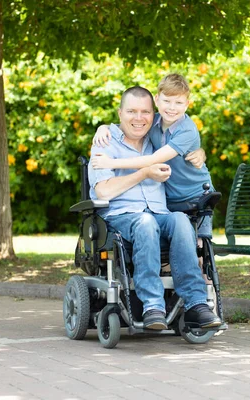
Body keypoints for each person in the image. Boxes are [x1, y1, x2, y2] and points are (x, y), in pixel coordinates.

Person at [88, 85, 221, 330]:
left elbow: (183, 140)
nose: (139, 118)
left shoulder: (156, 139)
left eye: (145, 112)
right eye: (131, 112)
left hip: (160, 215)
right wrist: (143, 173)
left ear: (153, 114)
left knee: (181, 220)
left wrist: (199, 151)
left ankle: (196, 304)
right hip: (122, 218)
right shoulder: (105, 144)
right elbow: (103, 190)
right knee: (145, 222)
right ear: (119, 113)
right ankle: (152, 306)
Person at [91, 73, 215, 239]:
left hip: (197, 195)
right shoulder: (153, 122)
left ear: (187, 105)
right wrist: (103, 127)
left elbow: (152, 160)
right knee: (174, 242)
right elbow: (131, 123)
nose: (172, 107)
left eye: (178, 103)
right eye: (167, 101)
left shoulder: (187, 129)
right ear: (157, 100)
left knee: (199, 246)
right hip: (171, 198)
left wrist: (111, 162)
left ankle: (198, 263)